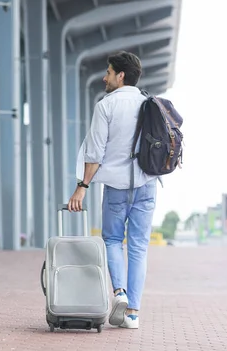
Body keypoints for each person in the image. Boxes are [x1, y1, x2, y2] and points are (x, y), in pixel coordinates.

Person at [67, 51, 157, 330]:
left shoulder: (106, 106)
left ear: (121, 75)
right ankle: (132, 314)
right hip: (148, 184)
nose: (104, 77)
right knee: (139, 247)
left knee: (113, 240)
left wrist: (81, 187)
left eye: (108, 72)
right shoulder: (149, 103)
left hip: (117, 187)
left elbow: (94, 153)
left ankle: (119, 292)